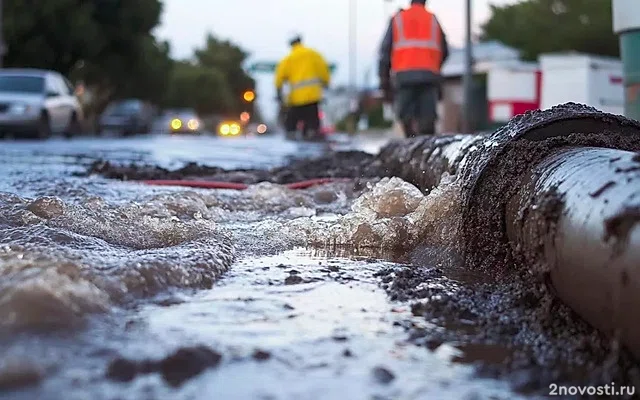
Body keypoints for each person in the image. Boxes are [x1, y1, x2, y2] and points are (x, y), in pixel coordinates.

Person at [378, 0, 449, 137]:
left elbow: (385, 52)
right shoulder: (433, 19)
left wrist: (384, 82)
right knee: (428, 119)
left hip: (404, 76)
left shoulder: (398, 19)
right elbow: (445, 50)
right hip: (429, 76)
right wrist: (434, 65)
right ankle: (427, 147)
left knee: (406, 117)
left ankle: (410, 143)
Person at [275, 34, 331, 141]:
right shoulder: (314, 54)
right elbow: (324, 71)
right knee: (312, 121)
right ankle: (311, 136)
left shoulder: (289, 58)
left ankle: (292, 137)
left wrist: (278, 93)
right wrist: (326, 84)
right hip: (313, 96)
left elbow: (279, 78)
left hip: (296, 99)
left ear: (291, 44)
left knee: (291, 123)